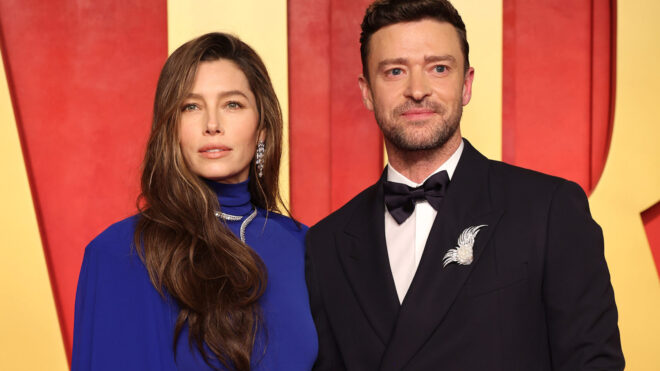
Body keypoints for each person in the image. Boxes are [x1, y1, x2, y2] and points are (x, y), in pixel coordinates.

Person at [304, 0, 624, 370]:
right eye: (394, 71)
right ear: (366, 91)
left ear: (466, 84)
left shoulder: (548, 210)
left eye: (438, 68)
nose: (417, 90)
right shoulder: (326, 243)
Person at [72, 32, 317, 370]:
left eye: (232, 104)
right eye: (191, 107)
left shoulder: (306, 246)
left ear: (262, 128)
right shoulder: (120, 253)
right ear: (171, 128)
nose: (212, 125)